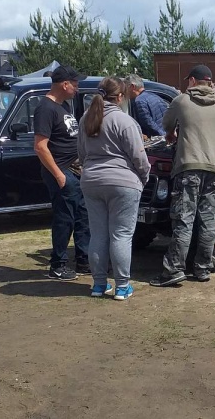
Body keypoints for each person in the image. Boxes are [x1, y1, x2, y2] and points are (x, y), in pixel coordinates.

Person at [149, 64, 215, 287]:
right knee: (208, 220)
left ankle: (174, 269)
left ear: (193, 81)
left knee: (184, 220)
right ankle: (203, 268)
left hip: (188, 167)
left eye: (188, 81)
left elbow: (166, 127)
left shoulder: (182, 101)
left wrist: (172, 133)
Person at [78, 77, 151, 300]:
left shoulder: (85, 120)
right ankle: (122, 286)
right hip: (122, 181)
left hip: (91, 180)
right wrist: (144, 176)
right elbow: (139, 156)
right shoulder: (124, 120)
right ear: (120, 97)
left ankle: (99, 285)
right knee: (121, 235)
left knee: (98, 234)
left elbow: (81, 153)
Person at [33, 65, 91, 281]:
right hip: (61, 170)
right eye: (75, 84)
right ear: (64, 84)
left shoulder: (64, 106)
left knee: (83, 216)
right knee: (64, 218)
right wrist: (59, 175)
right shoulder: (45, 108)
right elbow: (40, 146)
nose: (77, 88)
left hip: (76, 170)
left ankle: (84, 260)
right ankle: (57, 265)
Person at [124, 74, 168, 138]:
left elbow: (148, 123)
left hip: (157, 140)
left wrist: (162, 135)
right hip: (166, 137)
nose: (125, 92)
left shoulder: (139, 101)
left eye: (126, 89)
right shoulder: (156, 96)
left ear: (132, 87)